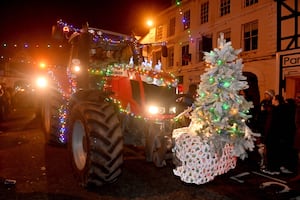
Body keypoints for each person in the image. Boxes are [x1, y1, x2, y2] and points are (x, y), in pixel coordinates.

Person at [257, 89, 275, 169]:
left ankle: (266, 162)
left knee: (266, 146)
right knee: (260, 145)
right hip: (261, 125)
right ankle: (261, 160)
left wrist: (265, 110)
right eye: (265, 94)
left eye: (267, 94)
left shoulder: (272, 104)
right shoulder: (263, 102)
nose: (266, 96)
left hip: (267, 127)